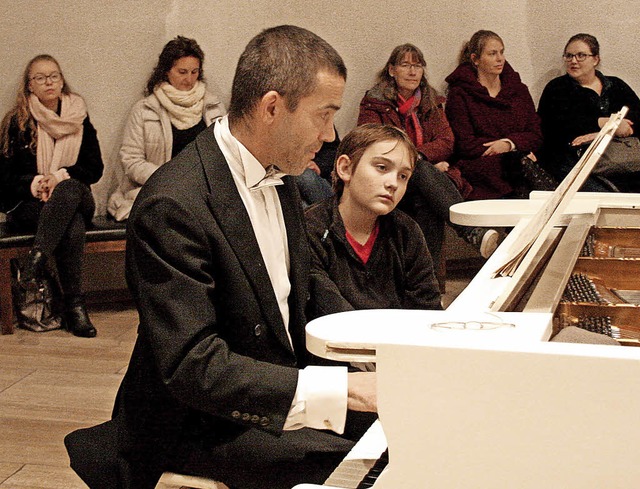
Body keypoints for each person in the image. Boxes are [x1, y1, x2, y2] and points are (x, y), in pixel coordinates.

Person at [65, 25, 376, 489]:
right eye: (324, 114)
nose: (330, 134)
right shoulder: (173, 204)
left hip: (268, 388)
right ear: (272, 107)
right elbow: (193, 364)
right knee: (370, 468)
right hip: (198, 423)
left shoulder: (279, 173)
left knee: (415, 429)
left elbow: (305, 282)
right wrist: (343, 389)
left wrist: (376, 350)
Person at [358, 43, 499, 264]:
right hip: (388, 179)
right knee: (423, 172)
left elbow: (446, 141)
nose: (413, 71)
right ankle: (469, 231)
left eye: (418, 65)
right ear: (392, 70)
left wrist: (419, 159)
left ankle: (426, 286)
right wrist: (417, 161)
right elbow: (374, 146)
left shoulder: (430, 102)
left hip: (425, 180)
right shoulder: (375, 104)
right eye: (405, 65)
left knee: (426, 199)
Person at [0, 54, 103, 337]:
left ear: (61, 80)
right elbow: (3, 181)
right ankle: (75, 306)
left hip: (76, 196)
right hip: (32, 205)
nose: (49, 82)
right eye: (40, 78)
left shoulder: (78, 116)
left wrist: (57, 177)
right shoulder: (17, 123)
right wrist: (35, 184)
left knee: (67, 190)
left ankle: (38, 258)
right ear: (29, 85)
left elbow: (94, 169)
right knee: (70, 226)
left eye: (54, 76)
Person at [306, 123, 442, 320]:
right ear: (345, 168)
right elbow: (327, 312)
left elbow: (428, 310)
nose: (393, 183)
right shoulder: (312, 228)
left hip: (398, 345)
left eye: (403, 176)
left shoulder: (407, 231)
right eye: (381, 167)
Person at [107, 36, 226, 221]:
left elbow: (224, 154)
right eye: (182, 72)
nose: (189, 79)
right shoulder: (145, 110)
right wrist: (170, 179)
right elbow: (131, 161)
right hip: (158, 192)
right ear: (167, 71)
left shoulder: (213, 107)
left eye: (195, 72)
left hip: (203, 194)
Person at [445, 30, 543, 200]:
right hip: (481, 168)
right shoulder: (460, 94)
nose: (500, 59)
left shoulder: (518, 90)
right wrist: (511, 151)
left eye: (501, 52)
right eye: (492, 54)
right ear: (475, 59)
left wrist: (509, 144)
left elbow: (535, 134)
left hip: (519, 163)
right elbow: (465, 144)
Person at [538, 33, 640, 192]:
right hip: (573, 161)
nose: (573, 61)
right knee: (606, 197)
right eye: (569, 56)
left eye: (581, 56)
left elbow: (637, 116)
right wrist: (608, 125)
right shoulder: (557, 88)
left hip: (618, 159)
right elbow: (557, 126)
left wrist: (609, 132)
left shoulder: (616, 85)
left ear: (595, 59)